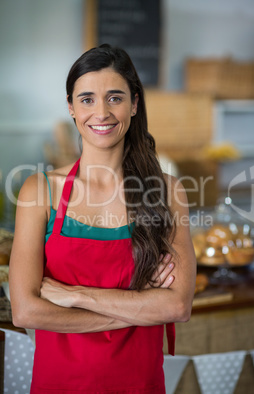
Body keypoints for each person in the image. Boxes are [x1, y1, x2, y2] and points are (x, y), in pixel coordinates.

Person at [9, 44, 196, 393]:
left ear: (134, 104)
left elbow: (177, 305)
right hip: (59, 384)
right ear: (71, 108)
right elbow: (26, 311)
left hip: (139, 384)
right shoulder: (40, 192)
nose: (102, 112)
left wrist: (75, 295)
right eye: (87, 99)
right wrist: (141, 307)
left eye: (114, 98)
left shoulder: (167, 192)